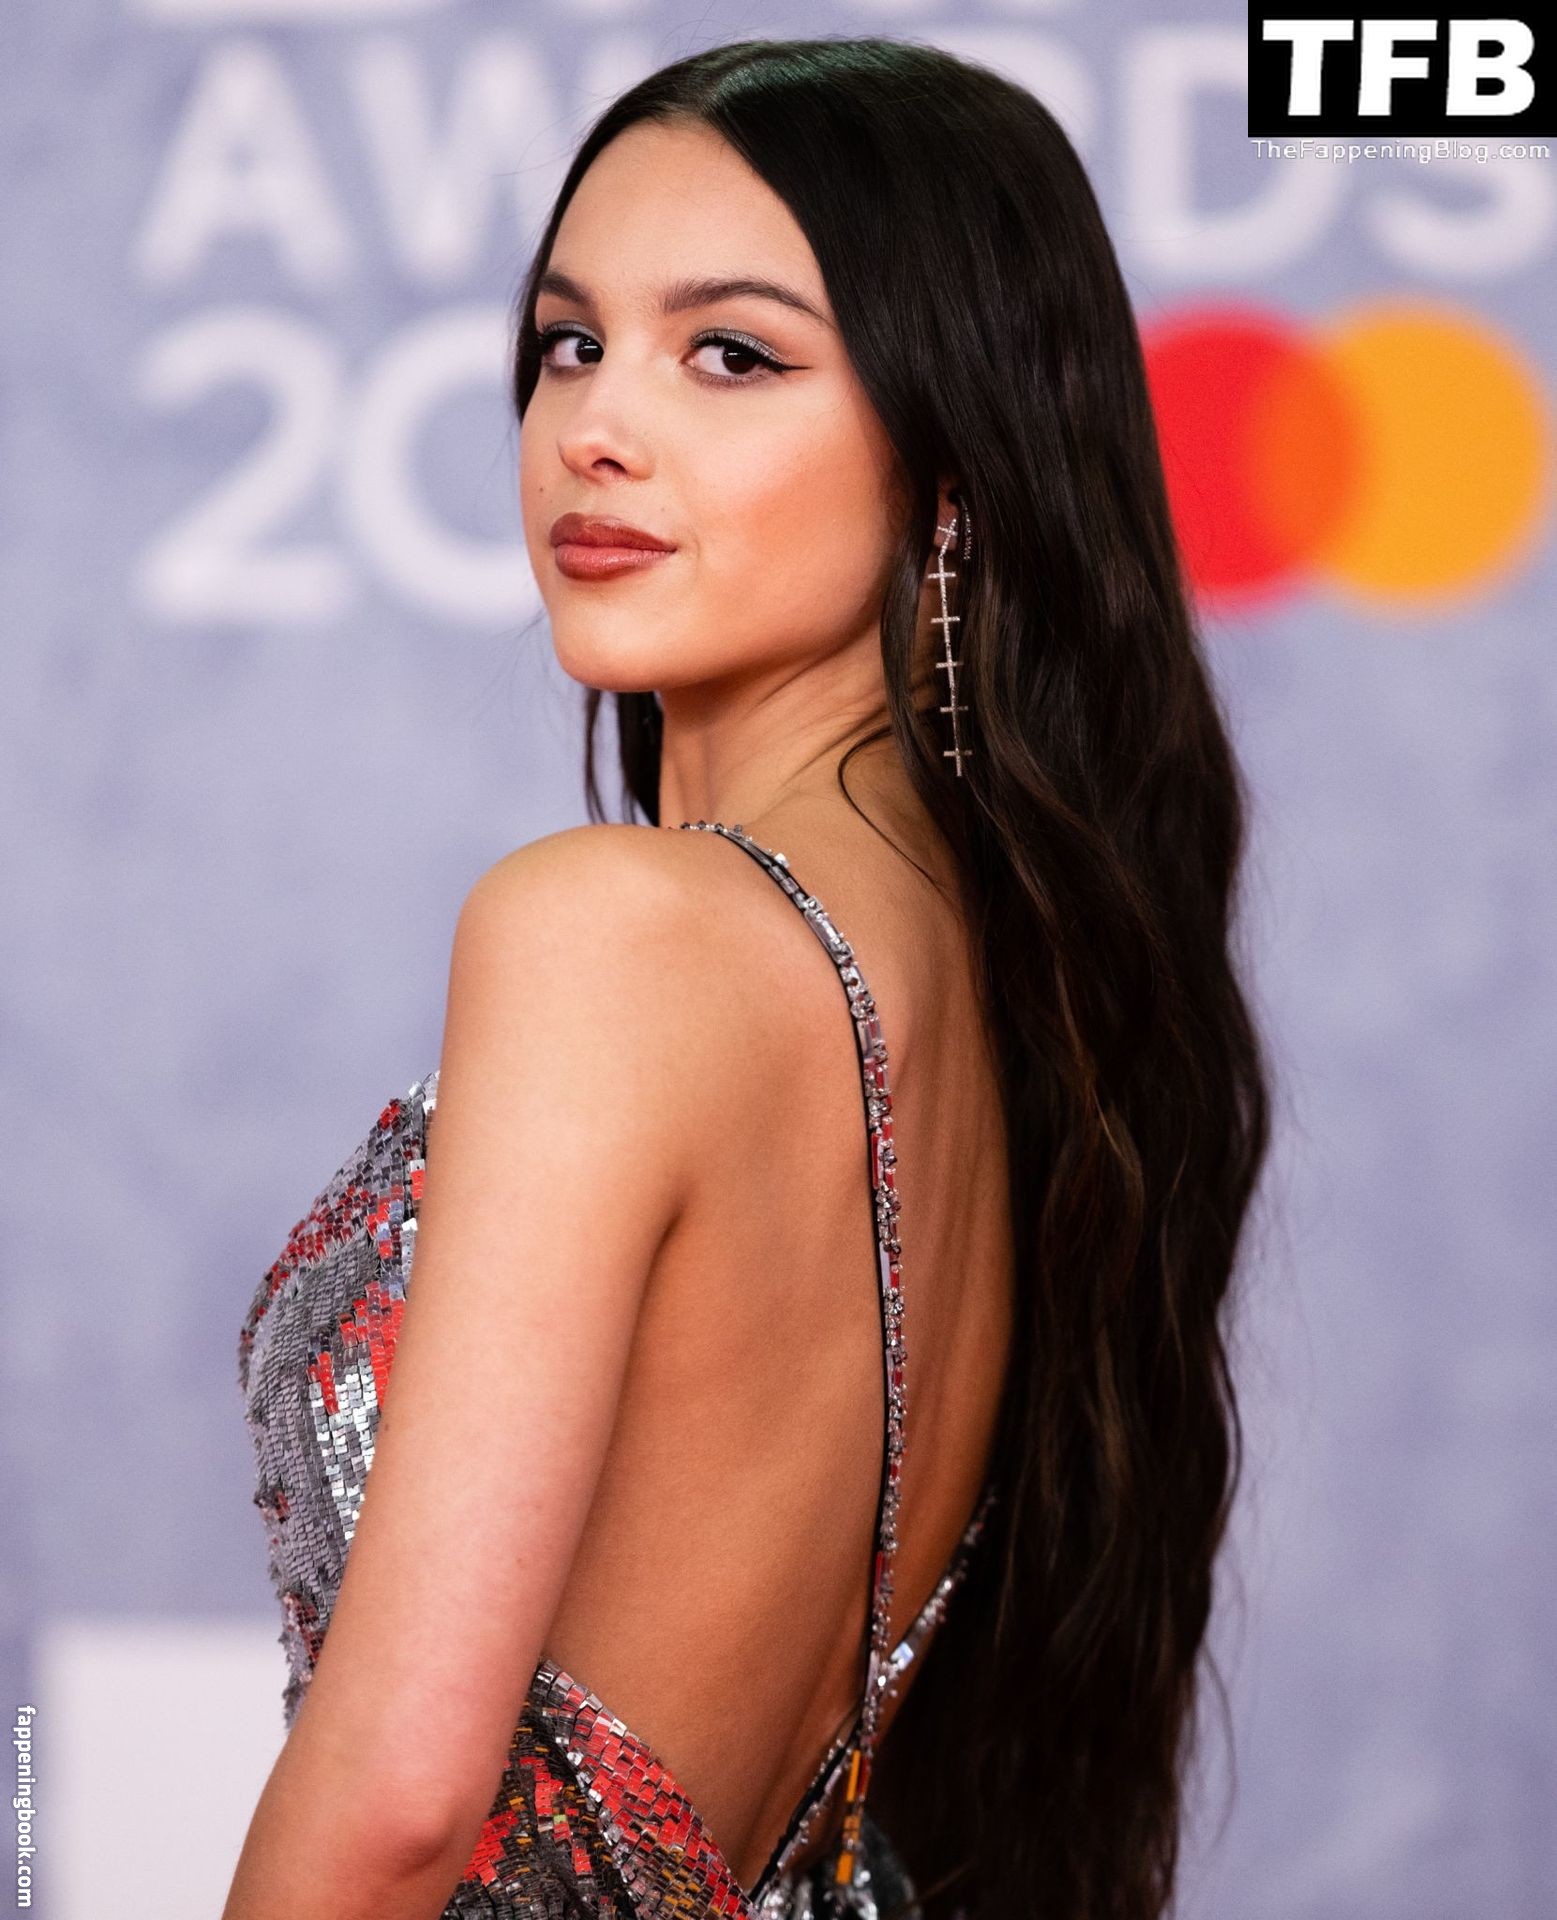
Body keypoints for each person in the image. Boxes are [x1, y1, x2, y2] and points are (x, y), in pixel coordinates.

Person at [223, 35, 1271, 1920]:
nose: (594, 427)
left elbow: (396, 1805)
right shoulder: (1000, 987)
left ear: (949, 465)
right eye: (568, 342)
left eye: (730, 354)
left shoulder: (613, 933)